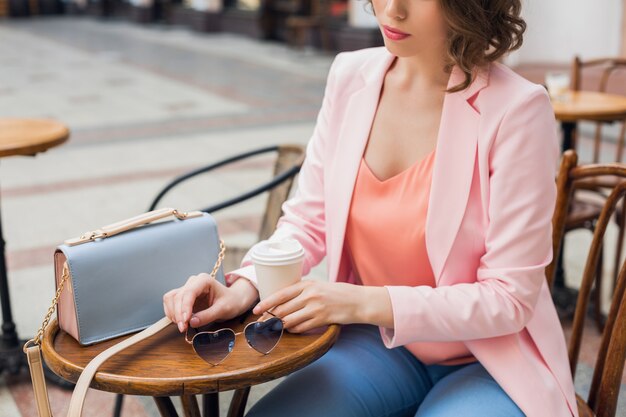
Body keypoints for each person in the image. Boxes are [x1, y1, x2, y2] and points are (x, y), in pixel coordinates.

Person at [163, 0, 578, 415]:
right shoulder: (350, 76)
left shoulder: (518, 109)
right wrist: (245, 287)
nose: (391, 11)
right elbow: (308, 221)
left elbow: (509, 299)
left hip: (489, 359)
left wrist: (358, 301)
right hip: (378, 344)